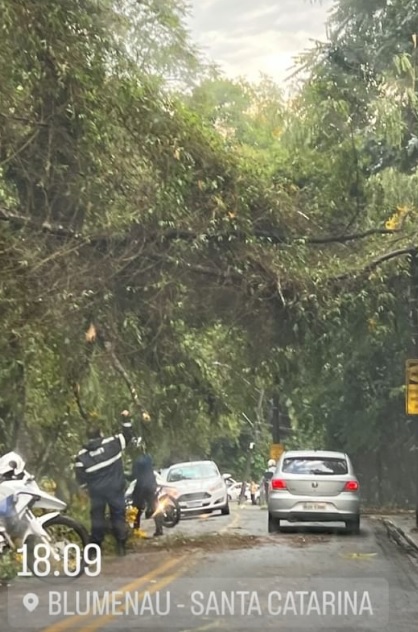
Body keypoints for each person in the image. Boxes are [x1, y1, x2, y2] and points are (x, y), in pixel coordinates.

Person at [74, 410, 134, 556]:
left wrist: (87, 489)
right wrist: (125, 418)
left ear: (88, 437)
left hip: (97, 492)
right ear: (101, 434)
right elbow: (128, 436)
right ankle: (120, 546)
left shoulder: (81, 456)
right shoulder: (112, 444)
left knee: (97, 519)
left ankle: (94, 548)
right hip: (115, 488)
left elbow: (80, 478)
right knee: (118, 516)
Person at [131, 453, 164, 537]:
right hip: (151, 485)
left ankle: (136, 529)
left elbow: (133, 475)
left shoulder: (137, 462)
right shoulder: (148, 458)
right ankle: (159, 529)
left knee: (137, 508)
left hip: (141, 486)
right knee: (155, 507)